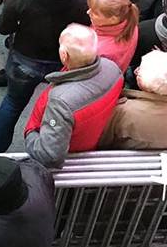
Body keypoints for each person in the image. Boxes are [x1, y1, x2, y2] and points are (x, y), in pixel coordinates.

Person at [0, 0, 89, 151]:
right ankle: (47, 145)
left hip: (24, 61)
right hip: (61, 64)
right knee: (54, 107)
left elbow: (3, 28)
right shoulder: (82, 0)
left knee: (13, 104)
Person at [23, 23, 125, 167]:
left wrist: (31, 134)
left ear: (64, 55)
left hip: (71, 155)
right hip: (89, 142)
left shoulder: (61, 102)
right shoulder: (113, 68)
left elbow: (49, 155)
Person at [100, 49, 167, 149]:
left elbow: (104, 142)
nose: (135, 71)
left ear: (141, 82)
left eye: (139, 71)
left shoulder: (121, 111)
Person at [87, 0, 139, 71]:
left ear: (113, 18)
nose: (88, 12)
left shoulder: (100, 52)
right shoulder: (130, 22)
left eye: (95, 13)